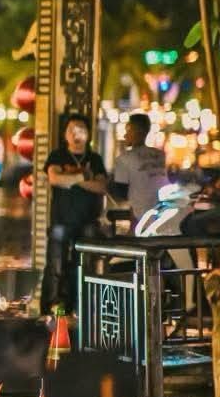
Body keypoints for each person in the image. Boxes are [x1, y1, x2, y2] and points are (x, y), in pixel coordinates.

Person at [41, 114, 107, 314]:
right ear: (65, 134)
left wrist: (70, 178)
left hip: (87, 220)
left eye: (81, 129)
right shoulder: (57, 156)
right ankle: (51, 307)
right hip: (61, 219)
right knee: (56, 264)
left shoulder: (94, 159)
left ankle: (80, 306)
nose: (76, 134)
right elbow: (54, 178)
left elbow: (102, 186)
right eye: (71, 129)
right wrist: (83, 176)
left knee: (85, 265)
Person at [109, 112, 168, 233]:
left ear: (138, 132)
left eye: (128, 130)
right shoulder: (160, 155)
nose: (125, 135)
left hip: (140, 215)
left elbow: (121, 193)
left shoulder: (124, 159)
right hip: (163, 213)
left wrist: (106, 184)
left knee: (135, 248)